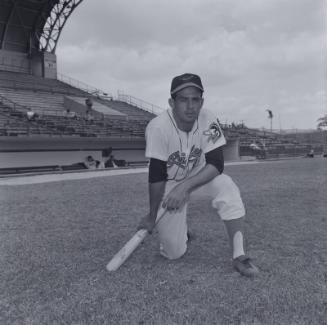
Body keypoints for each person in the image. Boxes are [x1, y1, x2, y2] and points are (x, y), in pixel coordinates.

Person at [138, 73, 259, 277]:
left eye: (195, 99)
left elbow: (217, 164)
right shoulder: (158, 127)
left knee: (227, 186)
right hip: (169, 183)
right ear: (172, 102)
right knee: (173, 253)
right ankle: (181, 232)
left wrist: (185, 187)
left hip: (199, 175)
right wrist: (152, 216)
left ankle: (239, 256)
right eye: (183, 99)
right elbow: (157, 175)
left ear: (201, 102)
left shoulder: (208, 118)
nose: (190, 105)